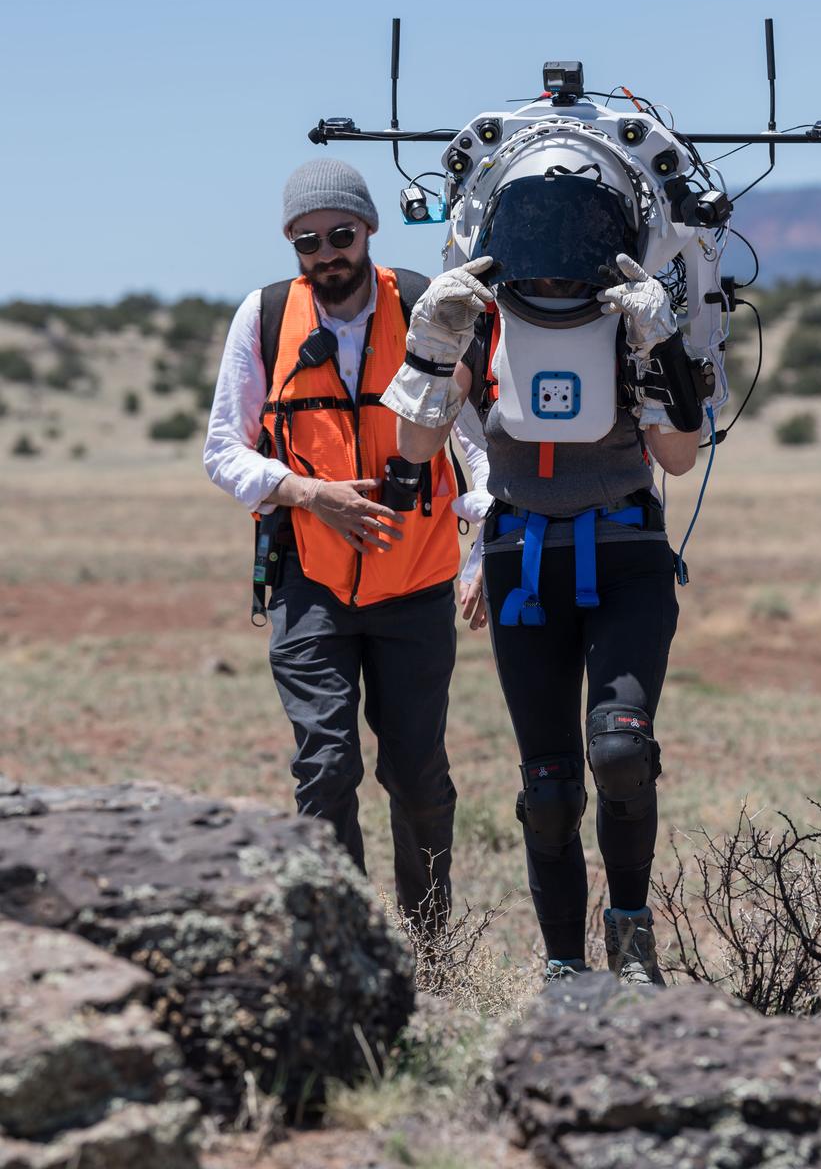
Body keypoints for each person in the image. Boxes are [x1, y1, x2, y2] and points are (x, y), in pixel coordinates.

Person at [381, 149, 704, 983]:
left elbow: (677, 456)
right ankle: (565, 970)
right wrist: (428, 347)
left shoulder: (638, 316)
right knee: (551, 785)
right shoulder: (483, 323)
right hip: (524, 555)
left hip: (625, 547)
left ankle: (631, 938)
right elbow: (414, 447)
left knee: (622, 750)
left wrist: (661, 345)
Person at [203, 157, 465, 923]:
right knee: (325, 767)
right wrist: (309, 492)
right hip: (307, 580)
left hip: (415, 581)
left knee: (416, 773)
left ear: (369, 230)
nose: (325, 254)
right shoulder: (265, 316)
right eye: (306, 241)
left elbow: (478, 440)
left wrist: (483, 544)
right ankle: (346, 941)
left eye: (340, 234)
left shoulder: (422, 305)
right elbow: (224, 449)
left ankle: (432, 944)